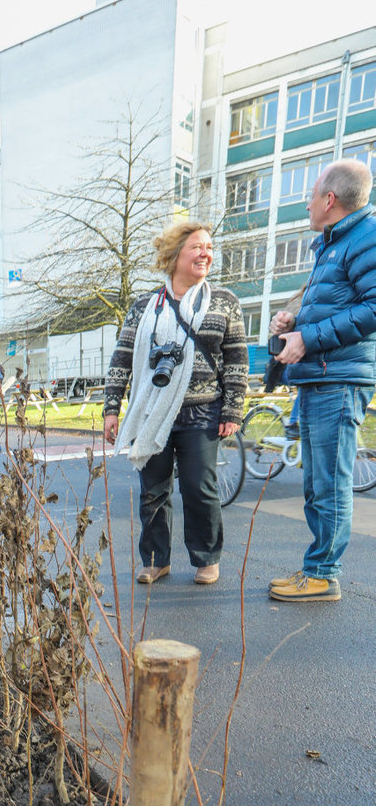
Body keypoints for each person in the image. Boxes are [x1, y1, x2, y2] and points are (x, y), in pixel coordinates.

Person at [103, 222, 247, 585]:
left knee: (200, 487)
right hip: (152, 409)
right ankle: (155, 559)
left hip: (203, 410)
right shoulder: (145, 306)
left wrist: (232, 409)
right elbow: (121, 358)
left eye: (210, 247)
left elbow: (236, 361)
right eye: (197, 246)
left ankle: (206, 558)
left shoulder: (224, 302)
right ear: (174, 255)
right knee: (153, 491)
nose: (206, 253)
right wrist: (111, 409)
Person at [267, 159, 376, 602]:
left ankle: (324, 574)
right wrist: (296, 319)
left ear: (329, 200)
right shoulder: (335, 244)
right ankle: (316, 567)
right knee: (315, 484)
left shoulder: (365, 239)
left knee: (329, 483)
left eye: (311, 195)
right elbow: (343, 305)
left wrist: (307, 337)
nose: (307, 203)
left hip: (338, 381)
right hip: (321, 379)